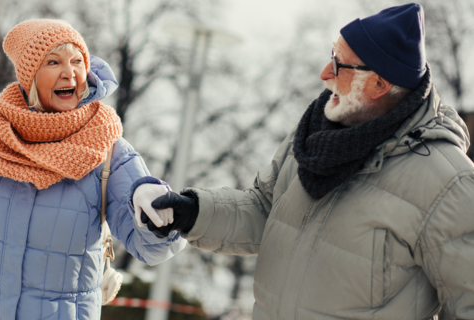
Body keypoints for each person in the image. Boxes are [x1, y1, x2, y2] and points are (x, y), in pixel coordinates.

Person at [134, 3, 474, 320]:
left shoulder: (447, 182)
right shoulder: (314, 137)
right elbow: (266, 210)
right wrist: (193, 212)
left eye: (340, 65)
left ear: (379, 84)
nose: (325, 73)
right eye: (331, 57)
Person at [0, 19, 185, 320]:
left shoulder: (108, 149)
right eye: (53, 62)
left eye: (77, 61)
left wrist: (162, 217)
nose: (69, 72)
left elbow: (152, 249)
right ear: (30, 76)